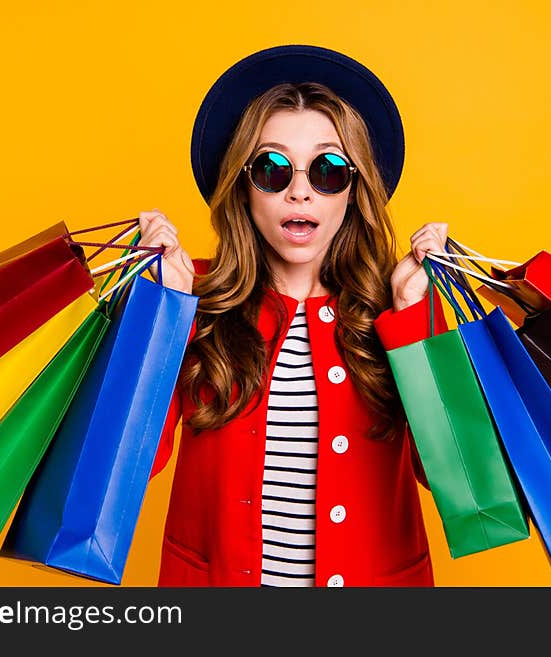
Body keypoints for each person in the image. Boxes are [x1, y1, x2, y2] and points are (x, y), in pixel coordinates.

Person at [139, 45, 449, 587]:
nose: (300, 190)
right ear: (243, 185)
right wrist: (166, 312)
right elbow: (129, 467)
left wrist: (414, 319)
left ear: (354, 191)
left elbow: (451, 476)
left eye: (329, 169)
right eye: (272, 167)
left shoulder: (400, 309)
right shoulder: (192, 299)